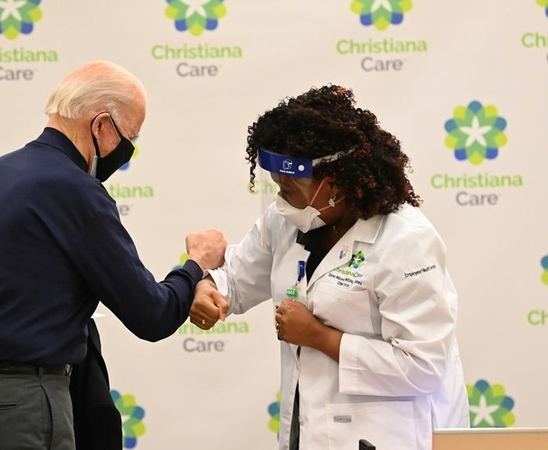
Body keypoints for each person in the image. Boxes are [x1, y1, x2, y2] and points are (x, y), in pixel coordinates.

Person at [0, 60, 226, 450]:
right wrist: (196, 264)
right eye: (129, 137)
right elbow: (152, 314)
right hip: (25, 404)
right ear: (101, 125)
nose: (126, 151)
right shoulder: (76, 191)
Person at [190, 85, 469, 450]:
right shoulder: (289, 218)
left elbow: (423, 366)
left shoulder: (406, 240)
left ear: (335, 179)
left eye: (291, 186)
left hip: (389, 434)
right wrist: (208, 288)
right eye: (277, 184)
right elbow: (236, 279)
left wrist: (321, 338)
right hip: (312, 426)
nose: (281, 195)